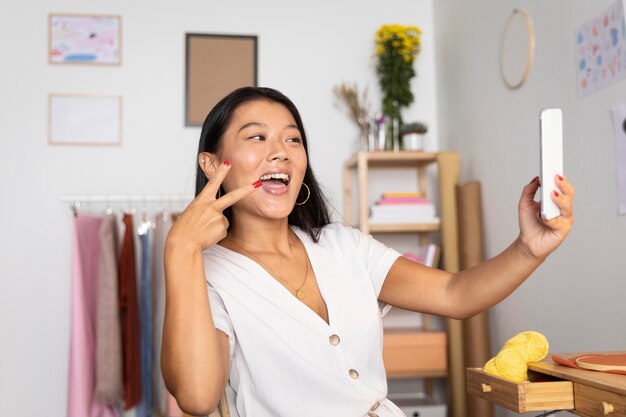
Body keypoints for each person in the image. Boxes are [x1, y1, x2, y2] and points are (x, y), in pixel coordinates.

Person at [160, 87, 574, 417]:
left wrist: (529, 248)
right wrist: (180, 247)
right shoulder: (207, 272)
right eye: (257, 136)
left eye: (293, 139)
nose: (281, 151)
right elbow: (197, 396)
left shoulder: (343, 245)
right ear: (213, 165)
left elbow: (455, 295)